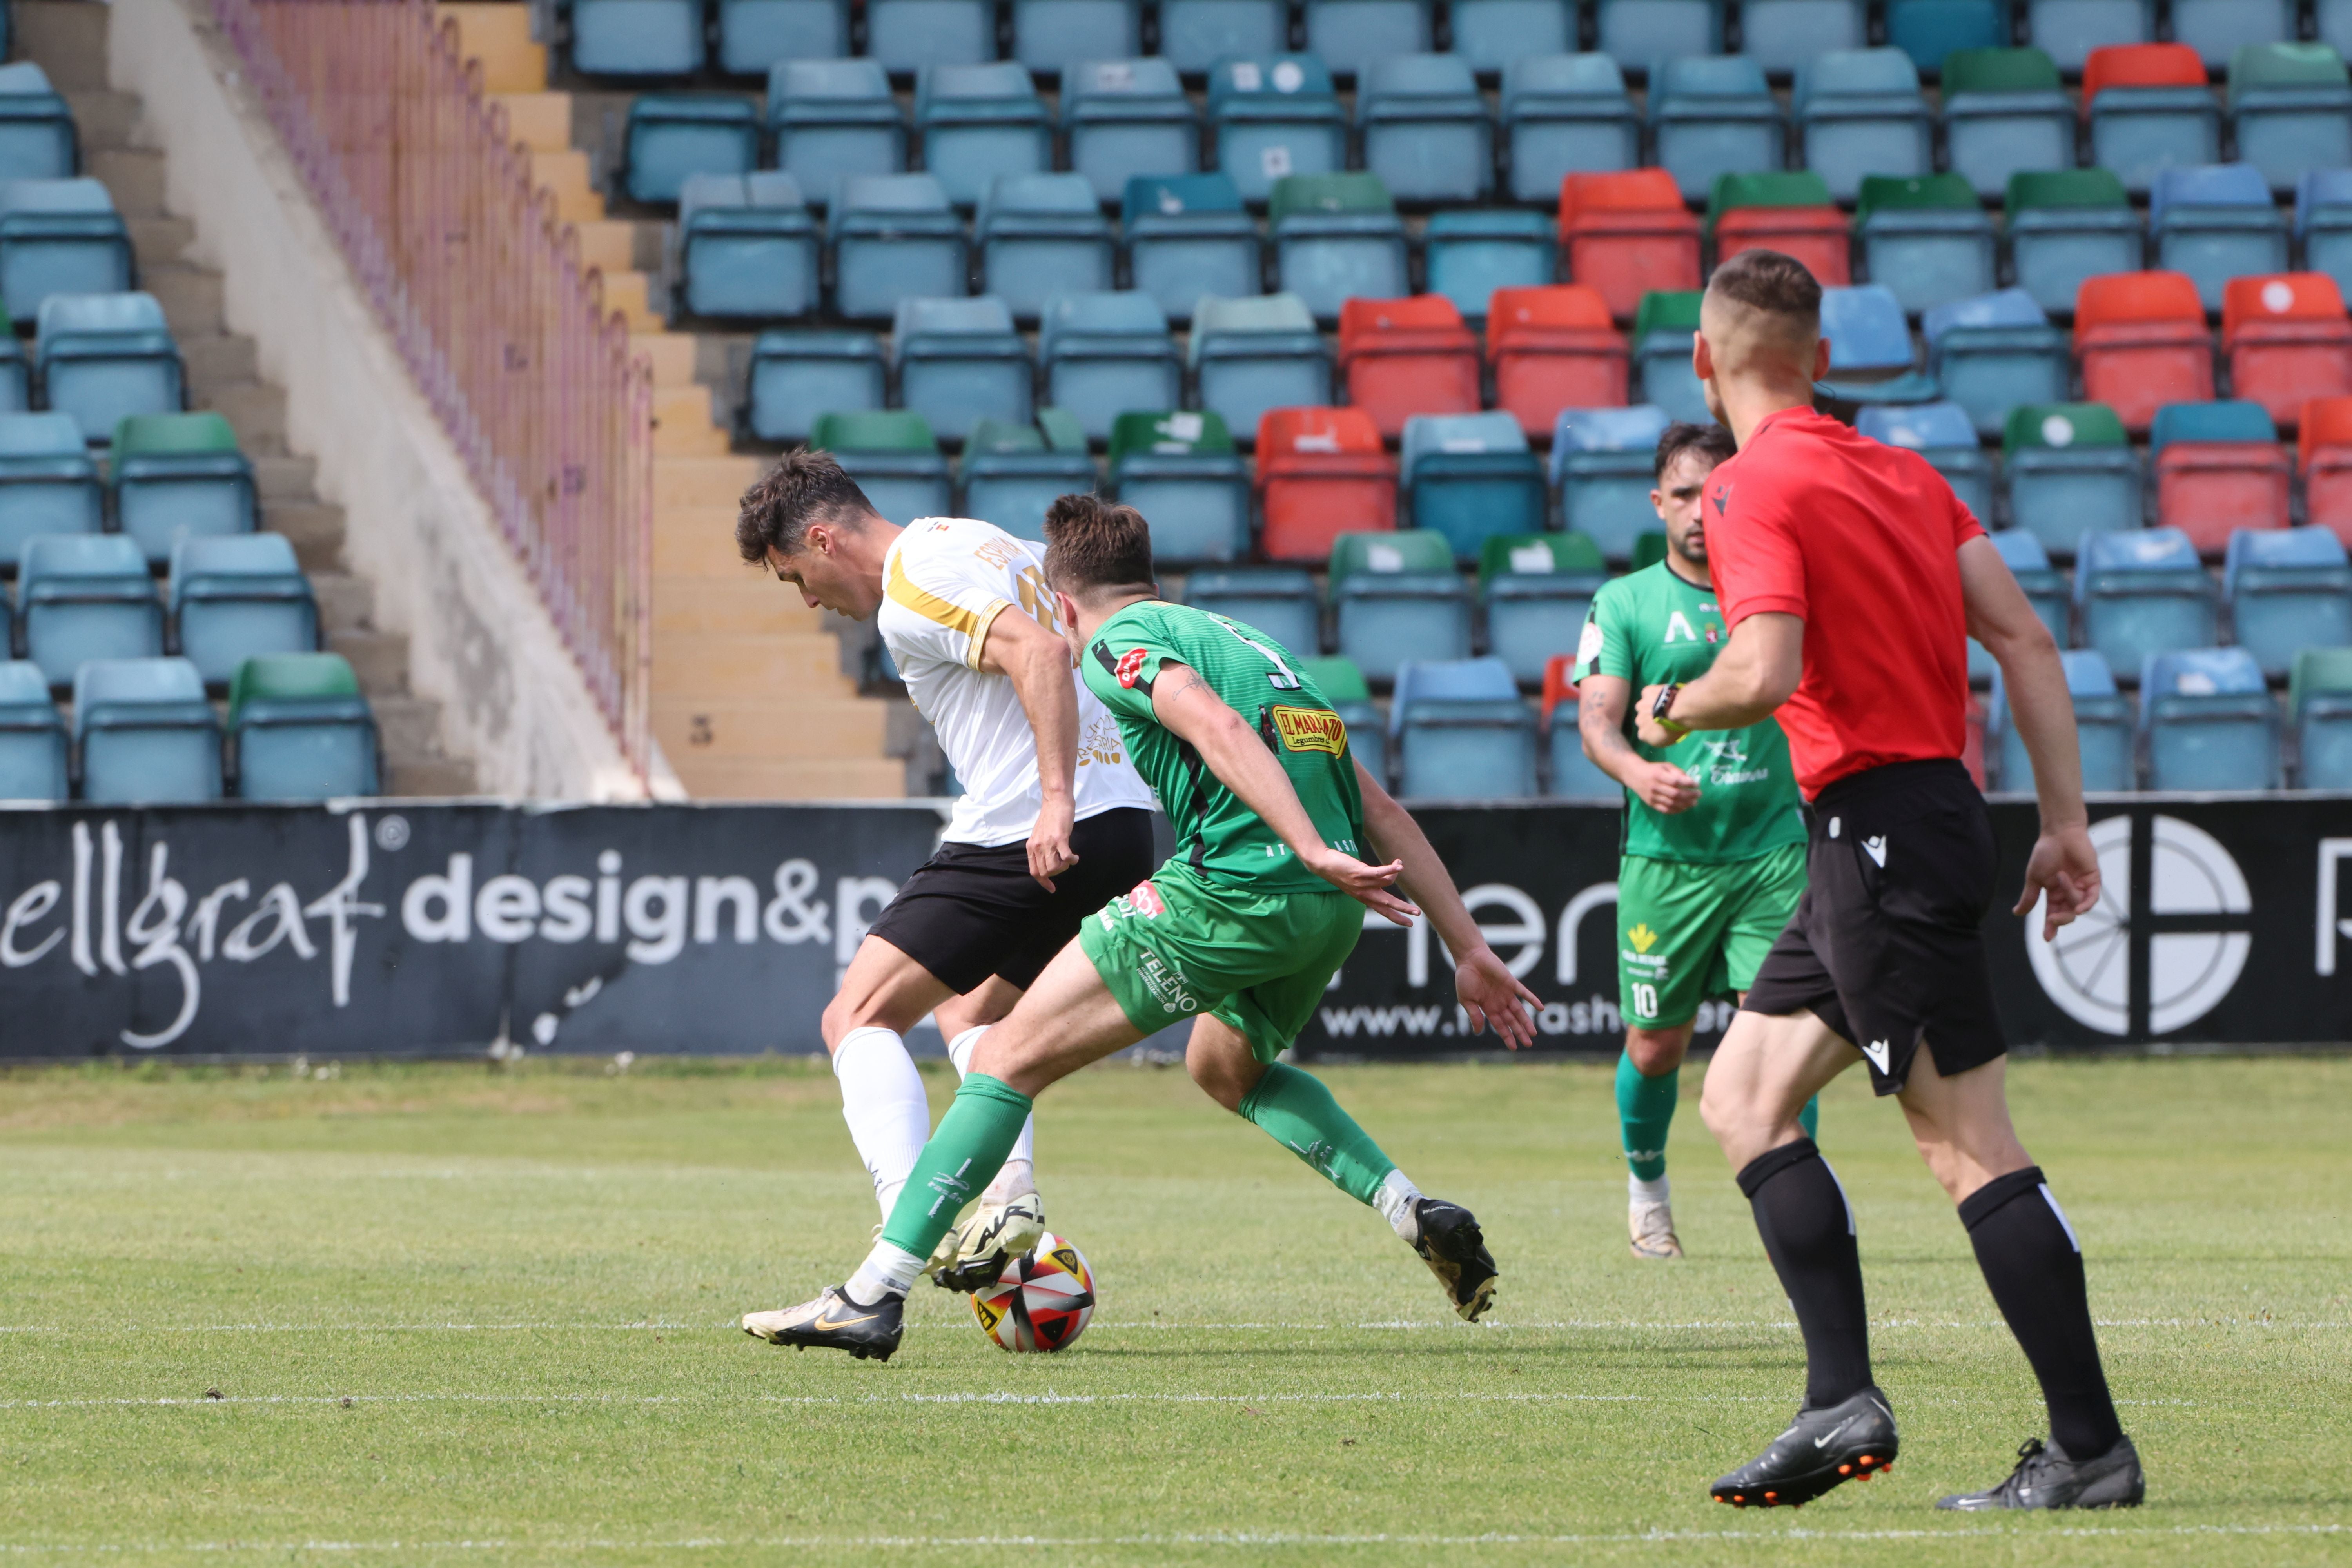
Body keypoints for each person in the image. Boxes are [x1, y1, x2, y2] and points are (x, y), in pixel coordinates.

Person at [743, 494, 1543, 1361]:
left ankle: (875, 1291)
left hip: (1232, 894)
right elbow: (1378, 804)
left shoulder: (1120, 644)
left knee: (1001, 1055)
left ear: (1070, 602)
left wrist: (1306, 846)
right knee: (1224, 1066)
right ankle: (1409, 1207)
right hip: (1329, 914)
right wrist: (1469, 946)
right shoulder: (1254, 645)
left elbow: (1215, 724)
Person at [1639, 249, 2140, 1512]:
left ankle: (2088, 1450)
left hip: (1878, 832)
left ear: (1706, 359)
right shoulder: (1909, 474)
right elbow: (2023, 635)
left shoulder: (1753, 486)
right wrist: (2065, 821)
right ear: (1821, 358)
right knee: (1744, 1100)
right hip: (1908, 823)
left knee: (1967, 1145)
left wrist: (1670, 706)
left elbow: (1757, 672)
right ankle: (1841, 1400)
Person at [731, 454, 1157, 1297]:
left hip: (1030, 832)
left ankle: (910, 1219)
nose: (810, 599)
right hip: (1125, 823)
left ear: (822, 537)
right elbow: (1078, 629)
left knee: (856, 1014)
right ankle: (1008, 1197)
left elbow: (1039, 651)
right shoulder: (981, 541)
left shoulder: (914, 582)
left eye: (797, 577)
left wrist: (1056, 802)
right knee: (973, 1012)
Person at [1572, 421, 1815, 1261]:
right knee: (1656, 1044)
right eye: (1682, 494)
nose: (1698, 512)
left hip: (1774, 854)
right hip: (1667, 861)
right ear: (1658, 503)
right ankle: (1649, 1197)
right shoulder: (1624, 602)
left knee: (1782, 1035)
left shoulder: (1782, 592)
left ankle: (1793, 1210)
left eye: (1714, 493)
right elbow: (1597, 725)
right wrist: (1638, 774)